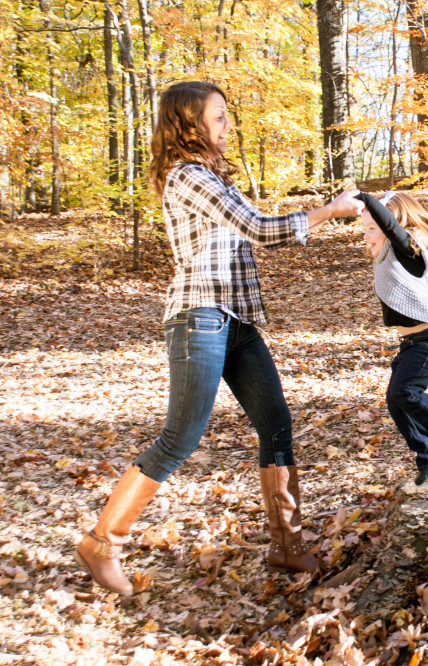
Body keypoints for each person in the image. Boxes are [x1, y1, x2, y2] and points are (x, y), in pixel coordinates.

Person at [74, 81, 363, 595]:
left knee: (276, 422)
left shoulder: (210, 176)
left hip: (236, 320)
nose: (228, 124)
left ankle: (287, 545)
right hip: (199, 319)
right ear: (191, 124)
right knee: (180, 437)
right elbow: (260, 230)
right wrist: (329, 211)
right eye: (219, 116)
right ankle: (102, 541)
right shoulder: (189, 177)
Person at [338, 188, 428, 486]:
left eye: (372, 228)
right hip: (412, 343)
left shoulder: (409, 250)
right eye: (364, 230)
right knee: (395, 400)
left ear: (391, 225)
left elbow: (391, 227)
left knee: (405, 392)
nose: (366, 236)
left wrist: (363, 196)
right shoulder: (389, 257)